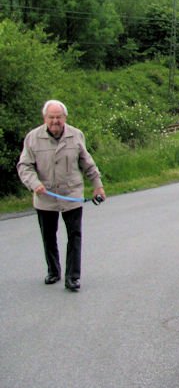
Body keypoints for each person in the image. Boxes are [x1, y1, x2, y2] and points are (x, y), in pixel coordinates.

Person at [17, 100, 106, 291]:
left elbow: (87, 163)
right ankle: (53, 271)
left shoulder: (76, 135)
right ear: (45, 118)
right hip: (45, 197)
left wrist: (97, 185)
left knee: (74, 235)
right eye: (51, 117)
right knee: (48, 236)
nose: (55, 121)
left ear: (65, 118)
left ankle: (73, 277)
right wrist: (34, 184)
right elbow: (24, 166)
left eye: (59, 117)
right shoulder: (32, 138)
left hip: (71, 195)